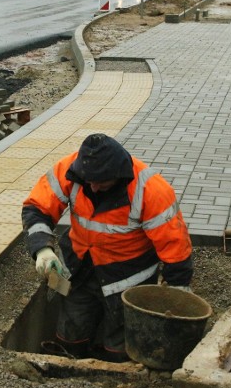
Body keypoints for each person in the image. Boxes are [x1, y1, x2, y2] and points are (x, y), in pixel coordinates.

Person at [22, 133, 193, 362]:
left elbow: (175, 245)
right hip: (79, 267)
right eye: (87, 181)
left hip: (127, 278)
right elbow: (37, 208)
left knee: (120, 344)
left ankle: (113, 371)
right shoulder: (71, 170)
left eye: (101, 183)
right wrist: (42, 249)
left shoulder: (151, 190)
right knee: (72, 327)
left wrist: (177, 289)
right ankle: (69, 362)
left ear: (118, 175)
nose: (92, 187)